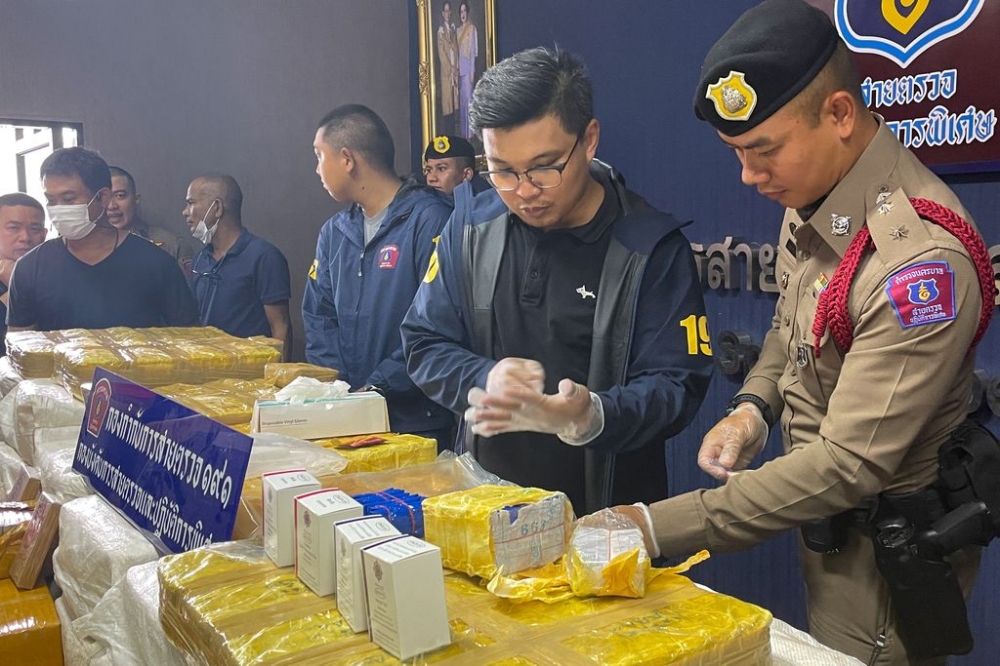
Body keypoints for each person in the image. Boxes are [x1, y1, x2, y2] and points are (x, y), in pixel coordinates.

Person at [610, 2, 996, 664]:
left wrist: (652, 526)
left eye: (764, 151)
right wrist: (754, 411)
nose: (748, 177)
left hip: (884, 558)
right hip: (823, 522)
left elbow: (849, 464)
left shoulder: (916, 263)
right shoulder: (818, 197)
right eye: (736, 153)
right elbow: (793, 333)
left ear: (840, 115)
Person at [401, 47, 713, 515]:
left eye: (545, 166)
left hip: (605, 526)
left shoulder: (649, 247)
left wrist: (590, 415)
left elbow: (677, 384)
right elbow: (423, 342)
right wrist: (486, 377)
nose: (525, 191)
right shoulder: (469, 229)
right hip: (486, 512)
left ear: (589, 140)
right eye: (502, 170)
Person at [304, 104, 455, 449]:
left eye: (318, 156)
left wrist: (376, 387)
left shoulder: (430, 220)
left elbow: (440, 324)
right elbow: (319, 315)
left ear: (347, 159)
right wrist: (339, 389)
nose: (316, 169)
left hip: (415, 421)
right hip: (346, 415)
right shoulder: (334, 232)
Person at [7, 147, 199, 332]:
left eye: (69, 199)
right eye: (51, 200)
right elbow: (21, 348)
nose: (58, 208)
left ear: (103, 197)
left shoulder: (155, 263)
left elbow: (189, 338)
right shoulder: (30, 268)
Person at [183, 174, 291, 357]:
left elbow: (280, 327)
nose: (185, 212)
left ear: (216, 208)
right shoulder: (200, 259)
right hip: (209, 374)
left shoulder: (264, 257)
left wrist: (277, 378)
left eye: (191, 203)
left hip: (252, 376)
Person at [107, 166, 198, 276]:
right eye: (104, 198)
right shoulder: (85, 248)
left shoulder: (172, 245)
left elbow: (186, 291)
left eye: (120, 196)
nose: (112, 206)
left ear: (136, 199)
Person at [0, 193, 46, 352]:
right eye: (13, 228)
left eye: (34, 229)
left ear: (44, 234)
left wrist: (17, 283)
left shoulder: (52, 275)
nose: (25, 237)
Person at [422, 134, 489, 197]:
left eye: (441, 169)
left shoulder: (488, 205)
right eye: (429, 170)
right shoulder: (421, 200)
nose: (431, 178)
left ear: (467, 174)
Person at [456, 1, 478, 139]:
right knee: (462, 103)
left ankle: (471, 133)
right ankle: (464, 133)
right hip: (459, 71)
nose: (463, 14)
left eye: (465, 11)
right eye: (461, 12)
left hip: (468, 70)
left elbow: (473, 53)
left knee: (469, 101)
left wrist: (472, 72)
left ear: (467, 12)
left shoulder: (472, 29)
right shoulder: (457, 31)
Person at [437, 1, 459, 123]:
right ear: (442, 13)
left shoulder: (452, 29)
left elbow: (455, 49)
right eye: (445, 11)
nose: (447, 13)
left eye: (448, 10)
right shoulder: (441, 31)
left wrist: (455, 67)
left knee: (455, 98)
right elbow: (441, 53)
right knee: (447, 102)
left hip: (454, 69)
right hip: (446, 71)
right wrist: (449, 67)